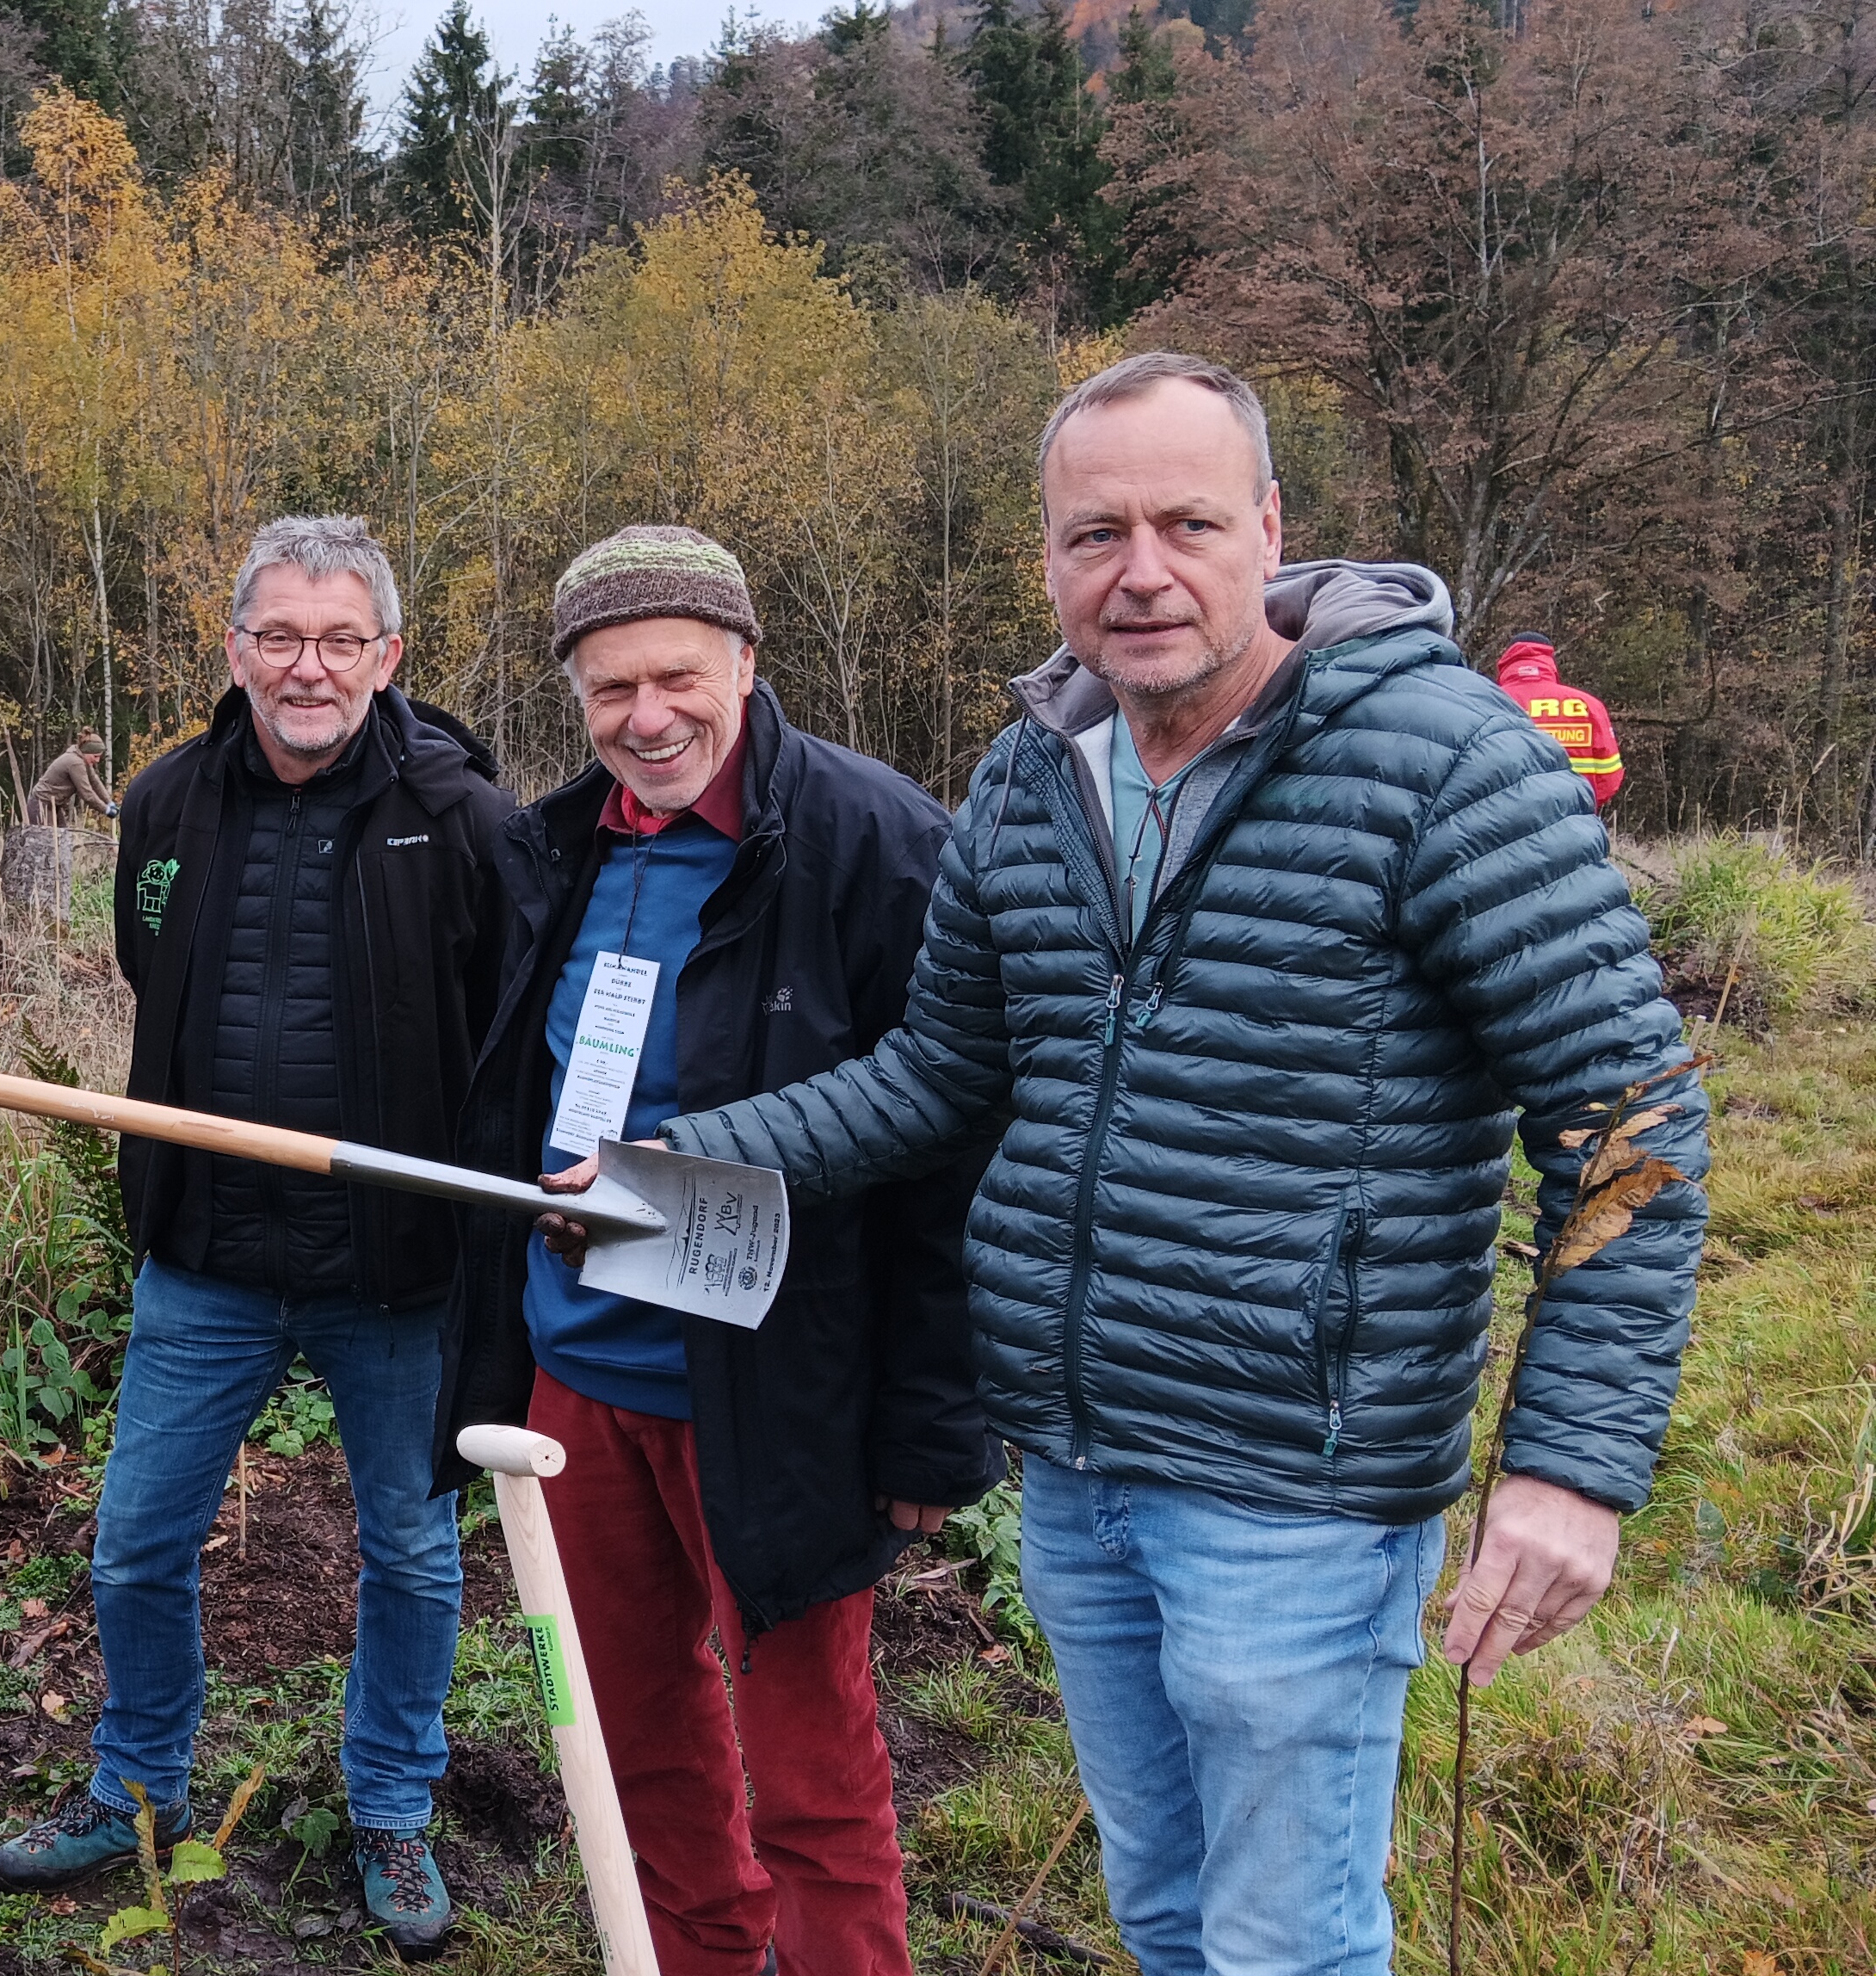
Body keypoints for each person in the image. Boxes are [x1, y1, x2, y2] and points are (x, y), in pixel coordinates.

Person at [657, 354, 1709, 1976]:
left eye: (1186, 522)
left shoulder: (1439, 762)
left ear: (1270, 527)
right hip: (1077, 1471)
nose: (1139, 571)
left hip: (1301, 1486)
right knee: (1162, 1915)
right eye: (1094, 534)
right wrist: (681, 1165)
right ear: (1051, 558)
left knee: (1282, 1943)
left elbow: (1625, 1116)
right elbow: (943, 1074)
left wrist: (1569, 1466)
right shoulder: (1028, 778)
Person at [437, 527, 997, 1976]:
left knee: (812, 1770)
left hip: (774, 1388)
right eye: (611, 688)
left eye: (679, 675)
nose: (649, 717)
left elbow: (948, 1149)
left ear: (748, 663)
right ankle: (700, 1954)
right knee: (634, 1741)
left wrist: (930, 1431)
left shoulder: (874, 844)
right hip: (579, 1380)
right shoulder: (550, 848)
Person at [0, 516, 514, 1958]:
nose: (308, 665)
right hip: (206, 1259)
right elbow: (154, 970)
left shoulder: (461, 815)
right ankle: (137, 1785)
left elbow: (504, 1023)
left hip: (395, 1272)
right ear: (233, 648)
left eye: (342, 638)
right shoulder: (166, 804)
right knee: (139, 1540)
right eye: (279, 634)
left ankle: (392, 1804)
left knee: (409, 1554)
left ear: (389, 654)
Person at [1494, 638, 1625, 807]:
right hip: (1574, 823)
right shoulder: (1587, 706)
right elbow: (1609, 777)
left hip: (1505, 824)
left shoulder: (1488, 702)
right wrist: (1581, 807)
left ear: (1507, 660)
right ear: (1549, 661)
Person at [28, 729, 118, 825]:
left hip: (54, 805)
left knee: (64, 838)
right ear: (87, 751)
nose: (98, 760)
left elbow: (95, 782)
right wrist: (106, 810)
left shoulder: (82, 759)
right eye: (95, 756)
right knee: (48, 839)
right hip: (41, 804)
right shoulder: (75, 763)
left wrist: (109, 802)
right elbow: (87, 794)